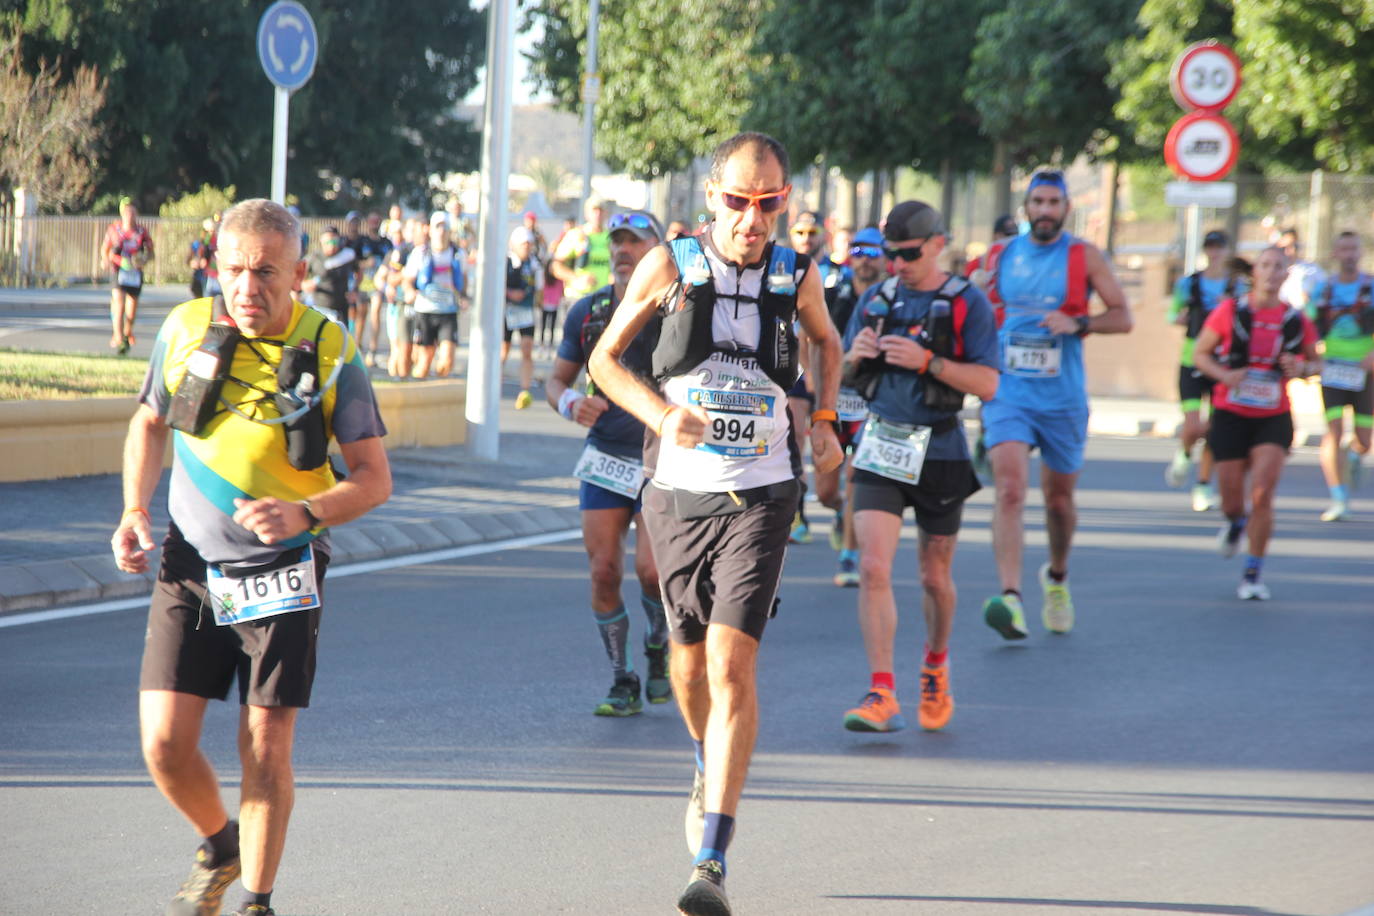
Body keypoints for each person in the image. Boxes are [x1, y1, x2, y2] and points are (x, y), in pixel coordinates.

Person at [111, 199, 391, 916]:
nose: (247, 286)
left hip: (282, 570)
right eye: (234, 269)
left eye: (266, 271)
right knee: (165, 746)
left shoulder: (332, 351)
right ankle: (220, 845)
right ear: (214, 267)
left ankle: (257, 902)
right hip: (190, 566)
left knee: (264, 743)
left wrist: (308, 511)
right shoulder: (184, 329)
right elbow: (147, 424)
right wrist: (135, 510)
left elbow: (373, 478)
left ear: (299, 272)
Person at [588, 131, 843, 916]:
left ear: (786, 202)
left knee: (733, 666)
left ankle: (712, 860)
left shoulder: (796, 274)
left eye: (769, 202)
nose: (753, 216)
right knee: (691, 669)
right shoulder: (670, 266)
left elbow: (826, 342)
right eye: (738, 200)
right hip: (677, 495)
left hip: (764, 492)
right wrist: (662, 414)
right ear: (712, 198)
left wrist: (826, 418)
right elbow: (605, 361)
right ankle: (705, 760)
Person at [839, 201, 999, 733]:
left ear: (937, 243)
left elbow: (989, 384)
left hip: (942, 451)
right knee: (873, 568)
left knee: (934, 577)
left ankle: (935, 662)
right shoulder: (877, 299)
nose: (898, 264)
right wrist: (854, 357)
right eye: (891, 254)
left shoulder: (966, 302)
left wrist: (928, 362)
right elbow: (840, 374)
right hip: (883, 445)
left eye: (908, 253)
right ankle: (881, 690)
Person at [978, 169, 1133, 639]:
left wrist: (1080, 324)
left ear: (1066, 208)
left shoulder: (1083, 256)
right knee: (1008, 490)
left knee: (1059, 501)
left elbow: (1122, 317)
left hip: (1062, 398)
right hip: (1008, 393)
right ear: (1026, 207)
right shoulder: (1001, 254)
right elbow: (969, 310)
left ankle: (1058, 577)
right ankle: (1012, 598)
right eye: (1037, 202)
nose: (1044, 211)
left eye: (1052, 203)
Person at [548, 210, 671, 716]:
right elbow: (555, 381)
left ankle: (658, 646)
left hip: (663, 458)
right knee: (603, 571)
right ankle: (622, 678)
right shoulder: (588, 311)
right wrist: (571, 404)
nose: (623, 252)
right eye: (617, 243)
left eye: (635, 243)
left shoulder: (678, 309)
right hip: (605, 457)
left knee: (649, 571)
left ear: (658, 251)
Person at [1193, 246, 1319, 598]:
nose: (1271, 272)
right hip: (1231, 414)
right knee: (1234, 501)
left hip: (1273, 416)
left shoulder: (1295, 318)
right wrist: (1224, 375)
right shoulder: (1229, 312)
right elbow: (1199, 354)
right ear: (1255, 272)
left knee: (1263, 494)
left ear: (1286, 274)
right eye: (1265, 265)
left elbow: (1314, 363)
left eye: (1278, 266)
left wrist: (1303, 369)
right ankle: (1235, 523)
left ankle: (1253, 574)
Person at [818, 226, 887, 587]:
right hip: (833, 400)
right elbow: (808, 338)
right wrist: (815, 387)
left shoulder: (890, 298)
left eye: (873, 252)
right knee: (827, 491)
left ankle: (849, 557)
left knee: (855, 476)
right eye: (858, 251)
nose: (864, 259)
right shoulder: (834, 294)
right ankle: (841, 513)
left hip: (869, 403)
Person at [1166, 229, 1241, 512]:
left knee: (1214, 427)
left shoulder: (1237, 287)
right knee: (1193, 425)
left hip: (1222, 362)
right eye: (1210, 247)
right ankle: (1184, 454)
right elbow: (1172, 314)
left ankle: (1203, 484)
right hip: (1191, 360)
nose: (1215, 252)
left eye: (1220, 247)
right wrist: (1180, 316)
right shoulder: (1189, 283)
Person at [1309, 230, 1374, 521]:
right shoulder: (1322, 290)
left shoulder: (1371, 287)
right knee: (1332, 432)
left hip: (1365, 372)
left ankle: (1354, 454)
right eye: (1343, 249)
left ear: (1360, 253)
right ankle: (1338, 498)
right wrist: (1312, 358)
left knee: (1364, 441)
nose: (1349, 254)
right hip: (1333, 370)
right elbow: (1304, 328)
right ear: (1335, 254)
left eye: (1353, 248)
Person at [404, 212, 463, 379]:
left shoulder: (457, 254)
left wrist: (464, 297)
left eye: (445, 227)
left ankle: (438, 389)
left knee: (447, 360)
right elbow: (408, 280)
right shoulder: (420, 253)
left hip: (448, 312)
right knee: (424, 359)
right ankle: (419, 394)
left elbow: (462, 282)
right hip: (425, 311)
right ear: (430, 230)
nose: (441, 231)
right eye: (438, 227)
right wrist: (410, 291)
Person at [101, 196, 155, 354]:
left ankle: (127, 333)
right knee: (119, 303)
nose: (130, 215)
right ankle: (117, 335)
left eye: (132, 212)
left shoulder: (142, 232)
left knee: (131, 309)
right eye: (127, 212)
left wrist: (143, 259)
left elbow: (151, 253)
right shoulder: (114, 230)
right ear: (122, 214)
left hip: (135, 273)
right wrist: (108, 260)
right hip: (119, 271)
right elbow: (105, 250)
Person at [504, 228, 540, 407]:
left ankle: (525, 390)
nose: (526, 247)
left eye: (528, 244)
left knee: (527, 348)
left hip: (525, 311)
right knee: (503, 350)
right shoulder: (507, 262)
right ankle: (495, 385)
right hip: (507, 311)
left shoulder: (534, 264)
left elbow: (538, 287)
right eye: (523, 244)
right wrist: (510, 293)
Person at [300, 226, 356, 325]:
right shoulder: (314, 257)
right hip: (320, 308)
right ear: (321, 241)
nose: (331, 246)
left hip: (341, 309)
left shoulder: (347, 255)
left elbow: (358, 272)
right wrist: (305, 285)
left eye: (334, 242)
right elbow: (299, 279)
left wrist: (355, 289)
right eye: (328, 242)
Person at [1277, 227, 1325, 312]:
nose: (1291, 251)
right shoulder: (1273, 272)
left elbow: (1324, 285)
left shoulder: (1312, 268)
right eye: (1285, 247)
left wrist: (1311, 296)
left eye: (1294, 246)